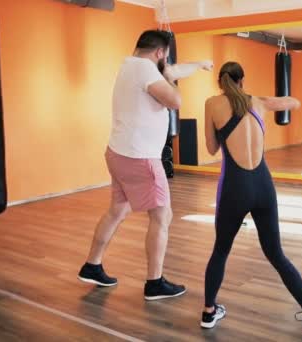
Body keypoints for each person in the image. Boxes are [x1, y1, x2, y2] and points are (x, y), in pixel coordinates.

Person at [77, 30, 213, 301]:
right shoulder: (146, 70)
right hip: (141, 158)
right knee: (162, 217)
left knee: (117, 210)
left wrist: (198, 65)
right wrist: (171, 78)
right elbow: (175, 100)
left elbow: (172, 71)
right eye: (165, 58)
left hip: (119, 153)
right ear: (160, 53)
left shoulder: (130, 65)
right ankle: (155, 283)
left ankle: (92, 265)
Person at [202, 61, 302, 336]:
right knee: (276, 254)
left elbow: (211, 149)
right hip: (263, 186)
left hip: (235, 187)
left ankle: (209, 312)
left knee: (221, 251)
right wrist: (266, 101)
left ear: (220, 81)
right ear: (242, 80)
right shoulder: (259, 102)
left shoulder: (212, 104)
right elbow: (294, 102)